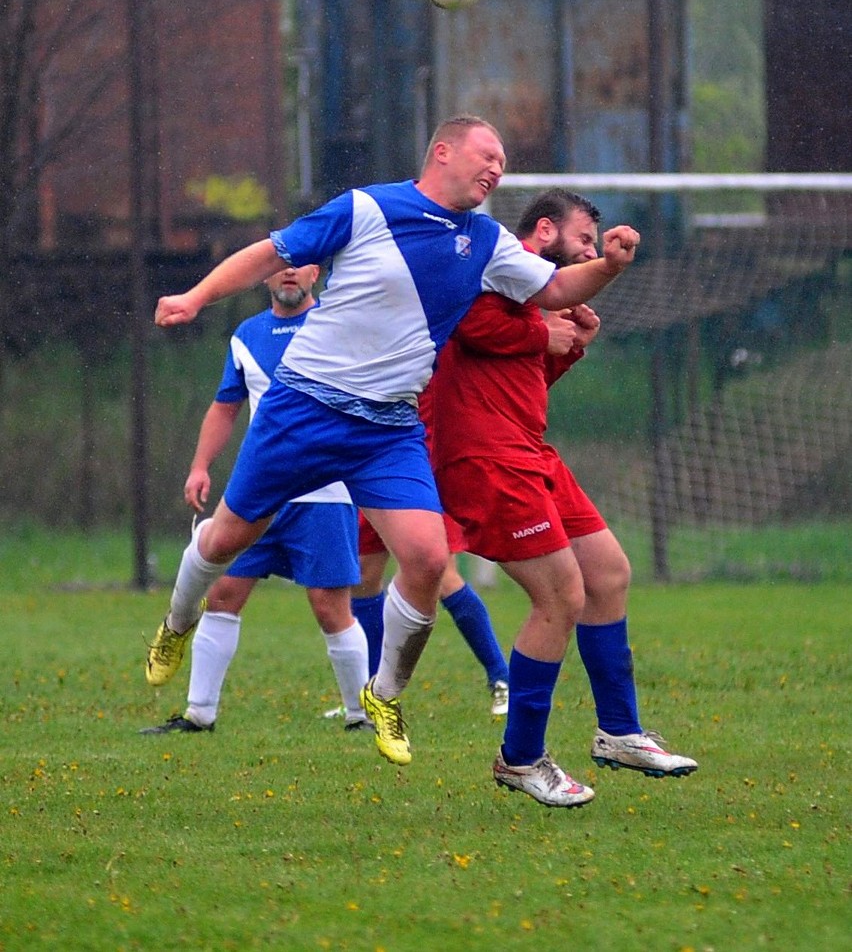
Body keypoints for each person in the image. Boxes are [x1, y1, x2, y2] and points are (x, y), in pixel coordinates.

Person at [146, 115, 640, 774]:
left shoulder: (488, 241)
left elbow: (554, 288)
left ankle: (384, 696)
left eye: (503, 163)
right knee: (225, 539)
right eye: (486, 155)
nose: (497, 169)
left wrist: (607, 265)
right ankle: (178, 622)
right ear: (442, 151)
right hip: (305, 409)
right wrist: (197, 295)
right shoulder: (369, 207)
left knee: (429, 557)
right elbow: (271, 253)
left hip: (387, 426)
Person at [429, 187, 697, 807]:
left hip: (530, 452)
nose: (588, 256)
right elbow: (470, 323)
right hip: (487, 459)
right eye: (583, 243)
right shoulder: (493, 269)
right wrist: (553, 320)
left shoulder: (530, 304)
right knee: (559, 596)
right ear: (544, 232)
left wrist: (568, 345)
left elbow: (522, 372)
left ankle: (620, 733)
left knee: (607, 574)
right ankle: (520, 758)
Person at [142, 265, 372, 733]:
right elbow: (225, 407)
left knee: (331, 606)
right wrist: (200, 467)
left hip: (324, 494)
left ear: (315, 273)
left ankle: (361, 716)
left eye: (299, 264)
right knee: (224, 593)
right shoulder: (248, 334)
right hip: (262, 493)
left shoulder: (335, 324)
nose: (288, 272)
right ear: (264, 279)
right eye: (278, 266)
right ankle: (198, 715)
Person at [354, 510, 510, 717]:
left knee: (443, 577)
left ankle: (502, 679)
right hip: (374, 485)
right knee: (364, 577)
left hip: (423, 485)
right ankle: (373, 698)